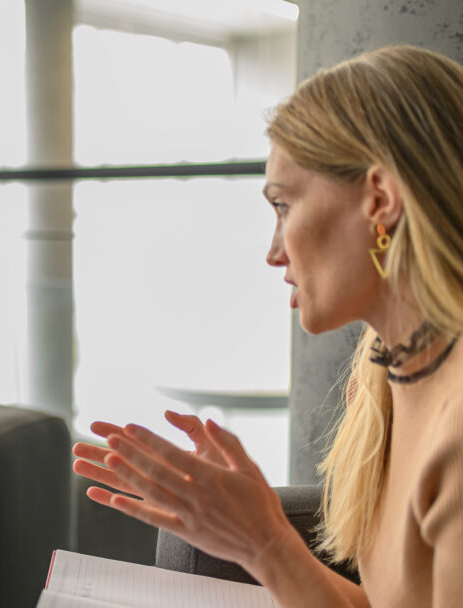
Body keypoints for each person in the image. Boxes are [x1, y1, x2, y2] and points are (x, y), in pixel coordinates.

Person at [74, 44, 463, 608]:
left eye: (282, 206)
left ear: (380, 199)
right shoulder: (384, 374)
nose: (273, 252)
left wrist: (265, 542)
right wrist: (257, 541)